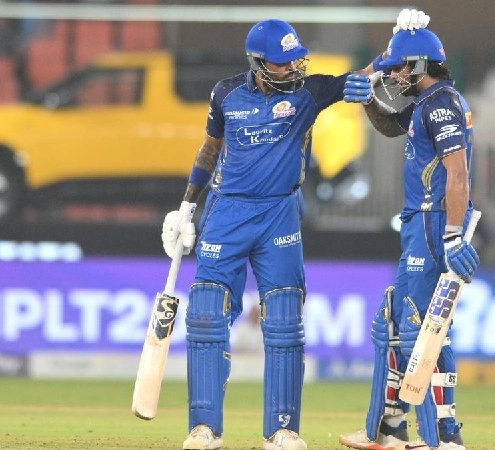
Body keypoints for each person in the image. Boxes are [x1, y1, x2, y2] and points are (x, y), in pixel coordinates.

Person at [159, 12, 432, 450]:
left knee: (285, 320)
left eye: (296, 60)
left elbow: (366, 73)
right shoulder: (226, 93)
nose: (293, 68)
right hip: (226, 213)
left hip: (279, 215)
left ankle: (282, 429)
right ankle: (204, 428)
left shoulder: (311, 91)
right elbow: (209, 149)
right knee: (206, 314)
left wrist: (399, 40)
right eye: (283, 62)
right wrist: (186, 207)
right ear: (258, 63)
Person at [338, 19, 481, 450]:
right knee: (400, 325)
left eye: (401, 67)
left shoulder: (440, 105)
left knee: (426, 326)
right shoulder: (427, 102)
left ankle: (445, 436)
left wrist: (452, 235)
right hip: (421, 222)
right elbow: (385, 123)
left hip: (434, 222)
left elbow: (457, 173)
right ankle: (394, 428)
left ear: (420, 65)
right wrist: (378, 70)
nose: (395, 75)